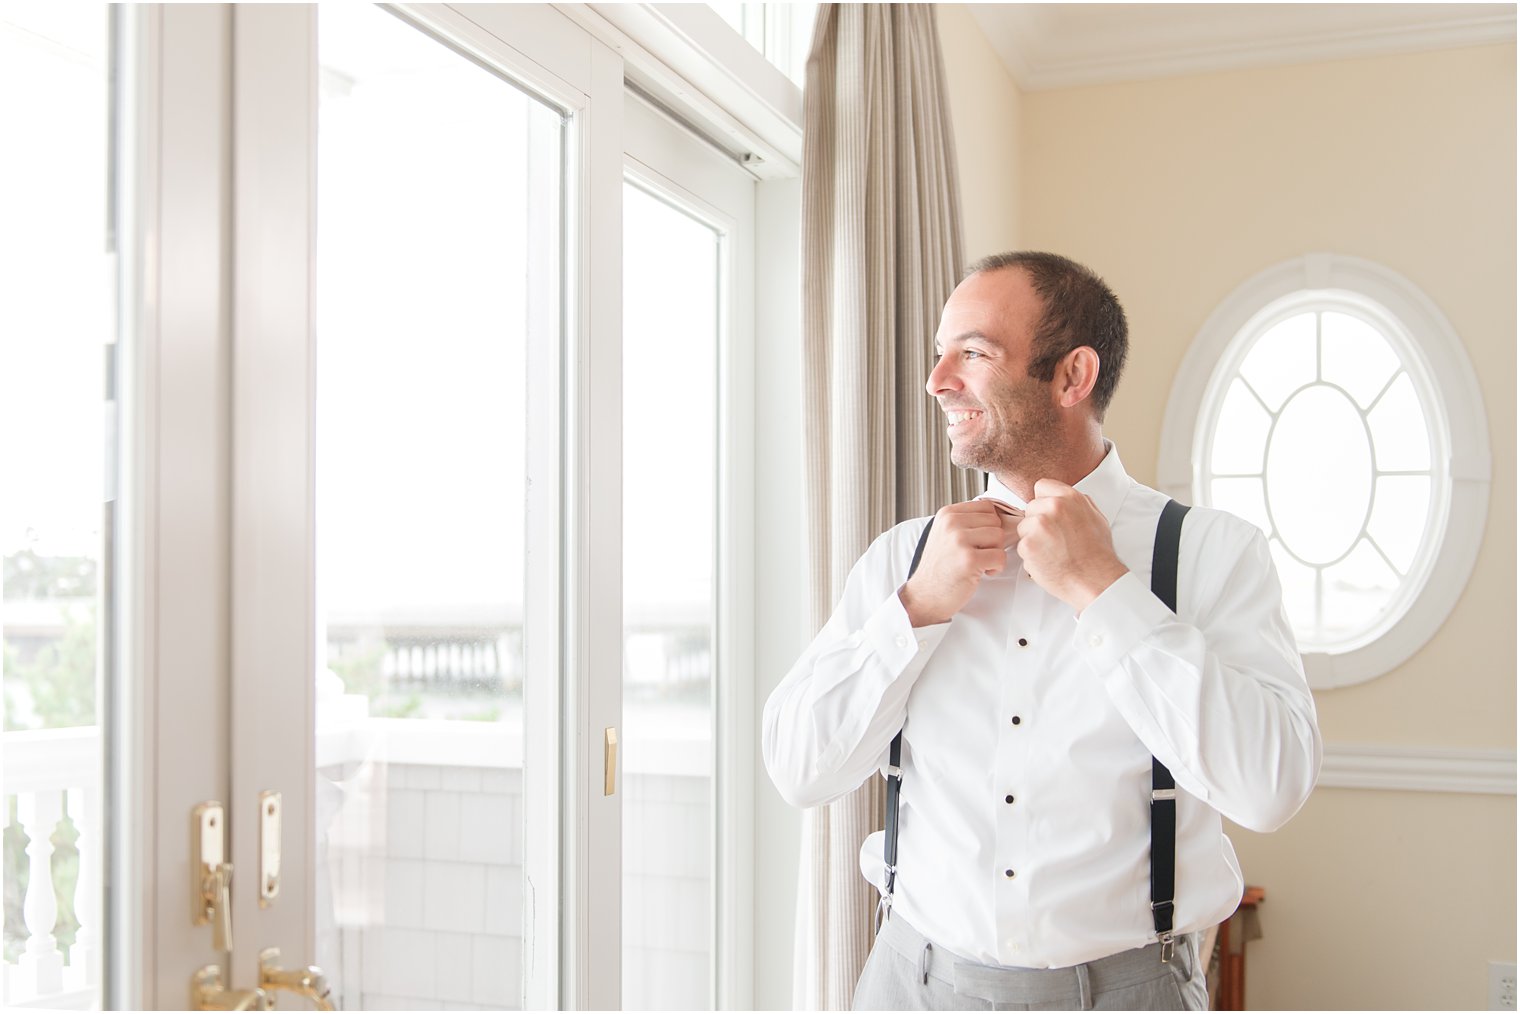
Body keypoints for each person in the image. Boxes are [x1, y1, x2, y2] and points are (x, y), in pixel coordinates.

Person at [763, 251, 1321, 1011]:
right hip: (910, 983)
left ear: (1071, 376)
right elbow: (800, 769)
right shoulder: (903, 558)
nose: (937, 381)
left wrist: (1105, 588)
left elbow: (1271, 787)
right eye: (939, 352)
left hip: (1129, 992)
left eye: (973, 353)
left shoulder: (1213, 555)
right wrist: (915, 610)